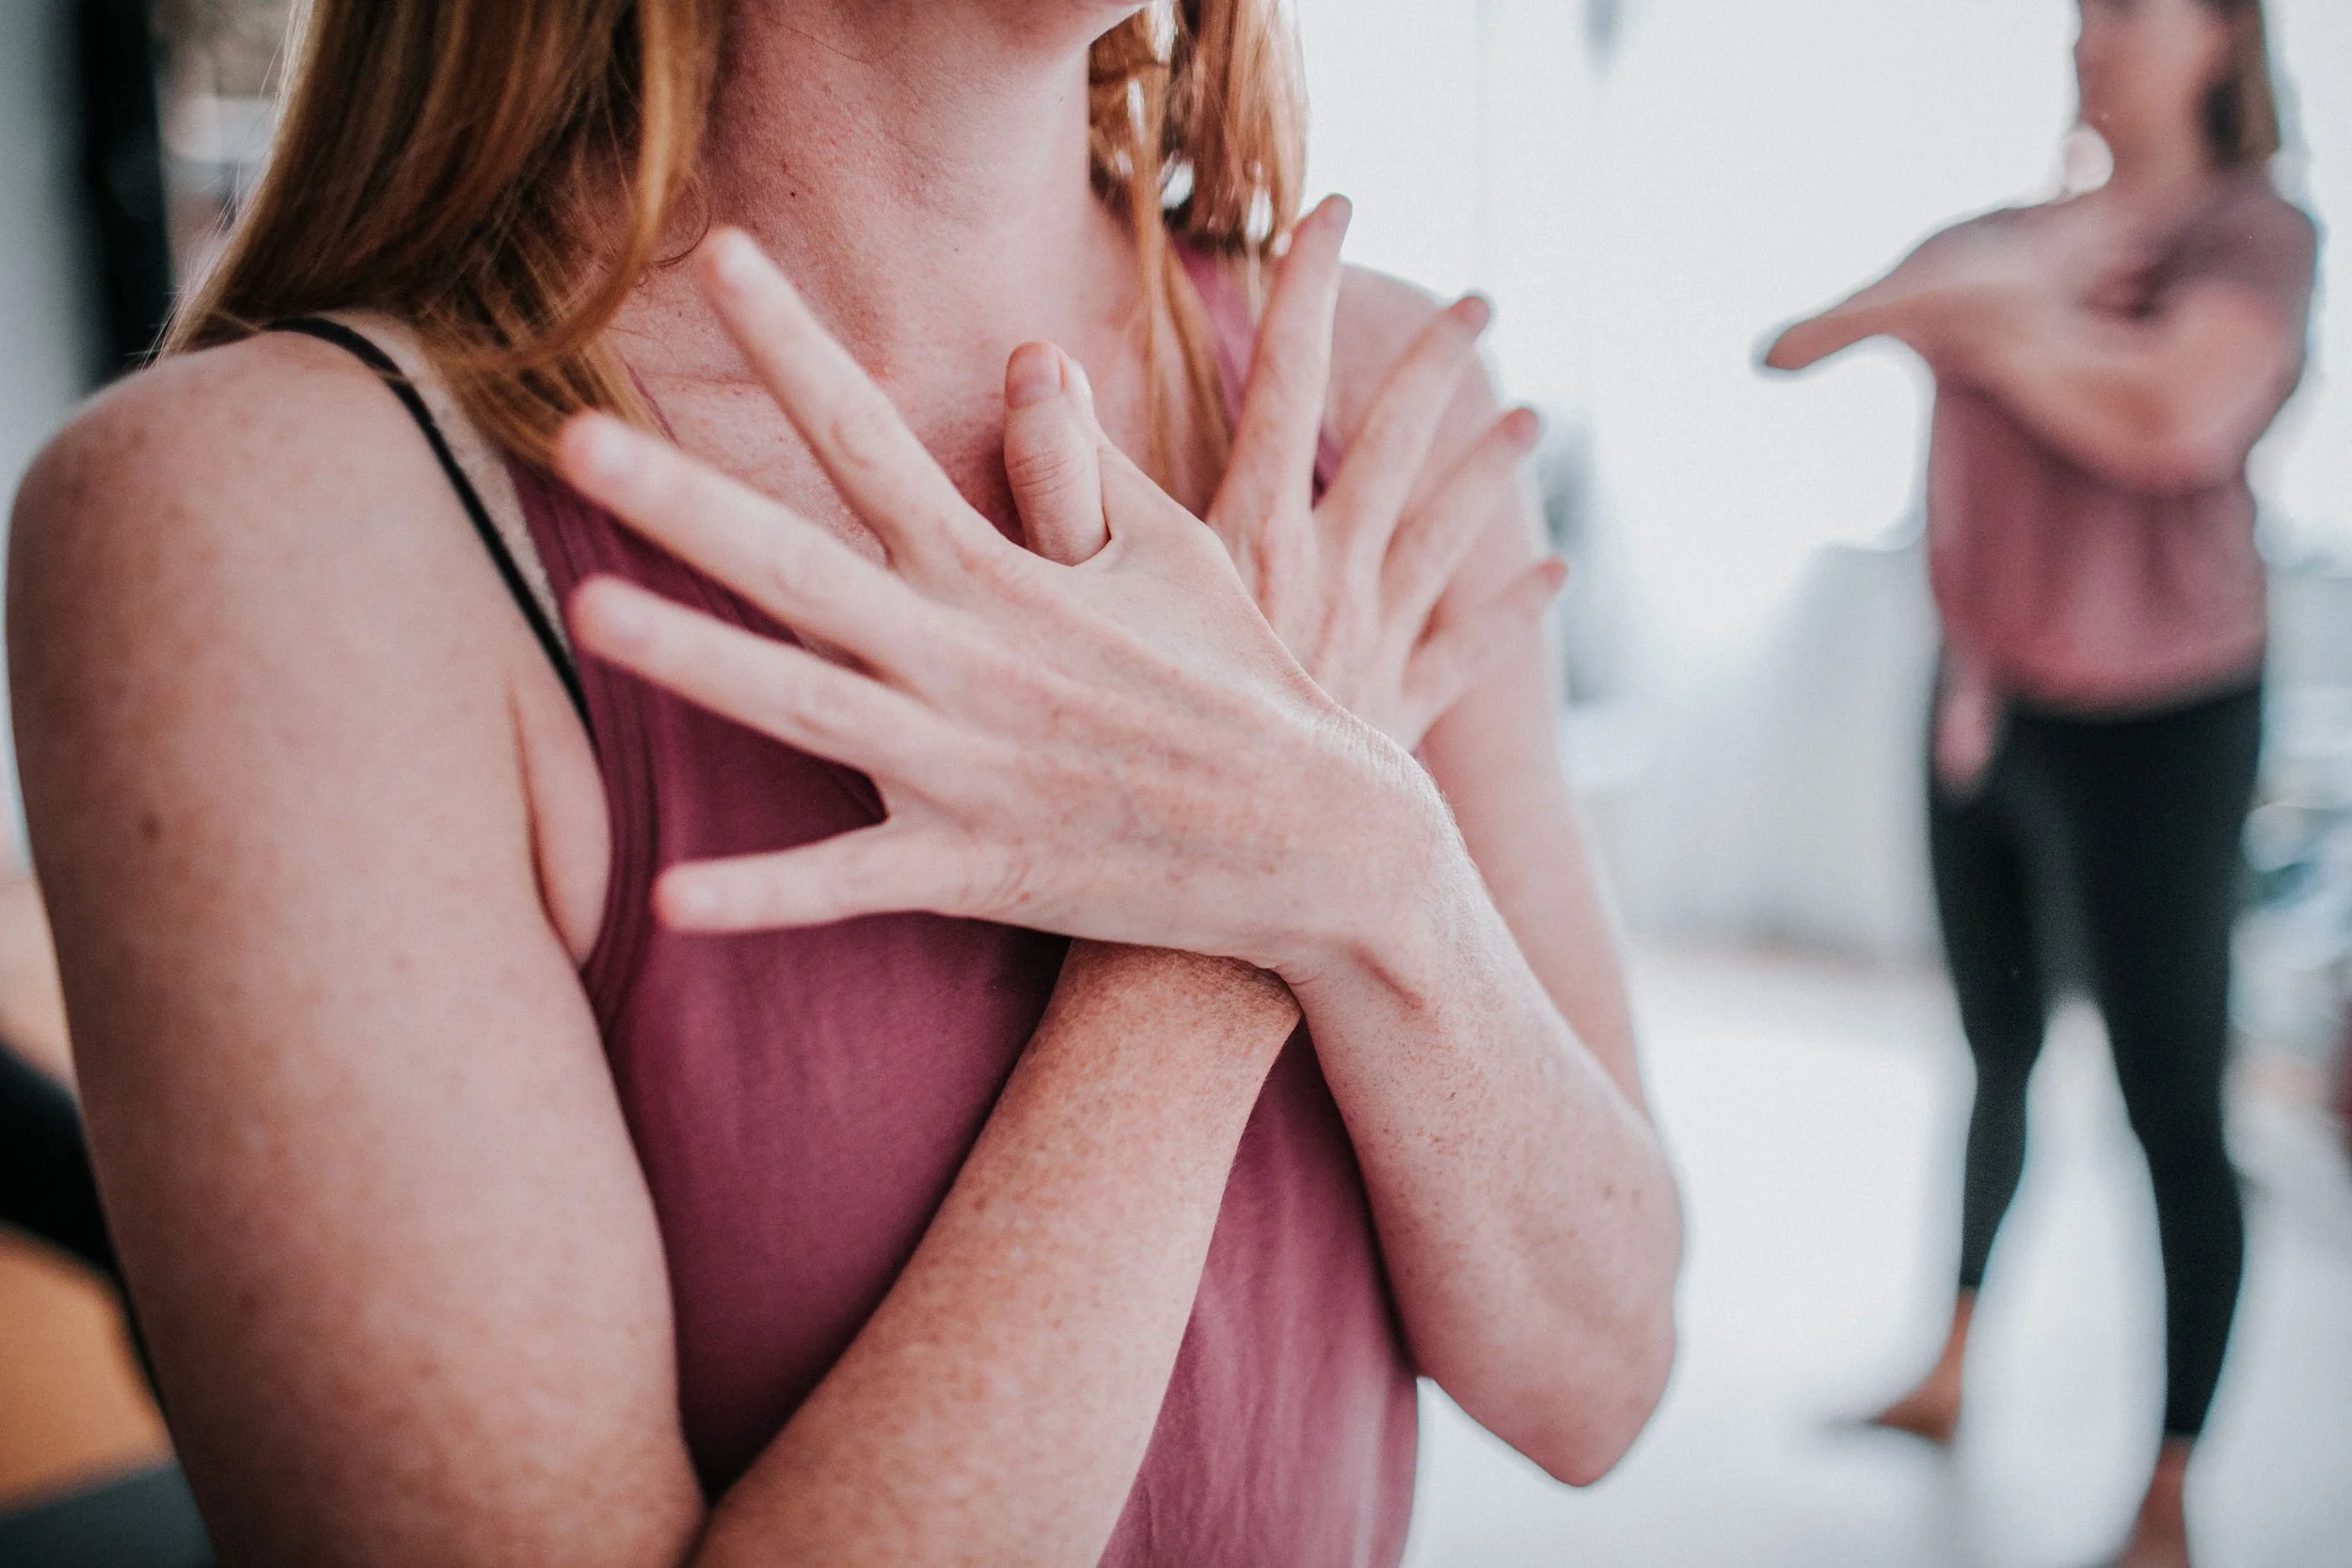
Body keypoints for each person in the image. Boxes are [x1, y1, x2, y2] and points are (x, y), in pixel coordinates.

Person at [8, 2, 1683, 1563]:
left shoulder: (1378, 397)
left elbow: (1598, 1373)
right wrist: (1227, 907)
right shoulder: (264, 526)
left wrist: (1369, 859)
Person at [1764, 2, 2317, 1564]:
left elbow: (2174, 418)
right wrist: (2001, 292)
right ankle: (1946, 1362)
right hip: (1987, 710)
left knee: (2169, 1100)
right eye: (2080, 12)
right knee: (1990, 1049)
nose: (2089, 35)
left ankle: (2168, 1483)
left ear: (2219, 37)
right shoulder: (2013, 229)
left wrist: (1983, 316)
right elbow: (1797, 341)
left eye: (2126, 10)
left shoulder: (2252, 233)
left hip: (2168, 723)